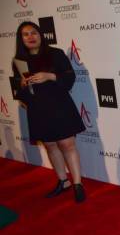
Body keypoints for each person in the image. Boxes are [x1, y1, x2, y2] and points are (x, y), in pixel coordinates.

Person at [12, 22, 86, 203]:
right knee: (51, 146)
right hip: (38, 109)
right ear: (21, 39)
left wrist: (49, 76)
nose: (30, 37)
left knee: (67, 144)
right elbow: (19, 93)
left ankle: (77, 184)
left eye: (33, 32)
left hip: (59, 105)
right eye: (25, 34)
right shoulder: (18, 62)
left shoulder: (56, 54)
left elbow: (70, 78)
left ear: (40, 35)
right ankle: (63, 181)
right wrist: (21, 86)